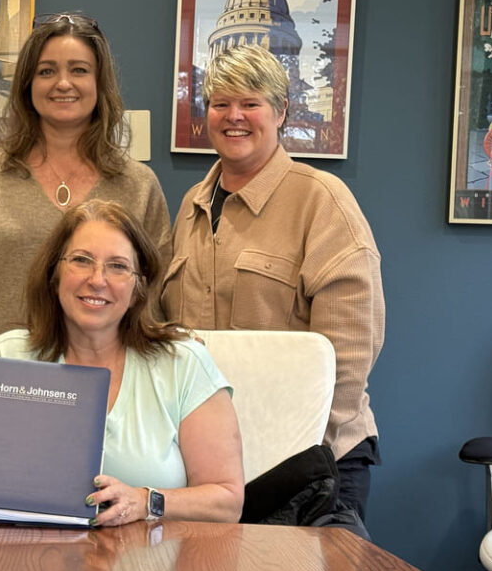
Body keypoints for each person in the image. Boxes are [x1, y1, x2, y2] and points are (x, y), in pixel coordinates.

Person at [0, 200, 245, 525]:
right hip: (28, 556)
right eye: (82, 260)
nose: (97, 279)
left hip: (150, 558)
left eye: (118, 266)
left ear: (139, 286)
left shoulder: (183, 363)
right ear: (55, 273)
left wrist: (145, 501)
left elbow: (227, 500)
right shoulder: (8, 355)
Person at [160, 45, 385, 520]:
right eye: (220, 103)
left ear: (281, 112)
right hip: (213, 465)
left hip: (312, 463)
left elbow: (348, 353)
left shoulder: (322, 202)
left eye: (251, 103)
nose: (234, 116)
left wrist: (298, 448)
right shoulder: (192, 207)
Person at [0, 14, 171, 355]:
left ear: (100, 83)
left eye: (79, 70)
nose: (63, 83)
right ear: (27, 84)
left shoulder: (139, 186)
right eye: (46, 71)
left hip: (104, 381)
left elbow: (156, 303)